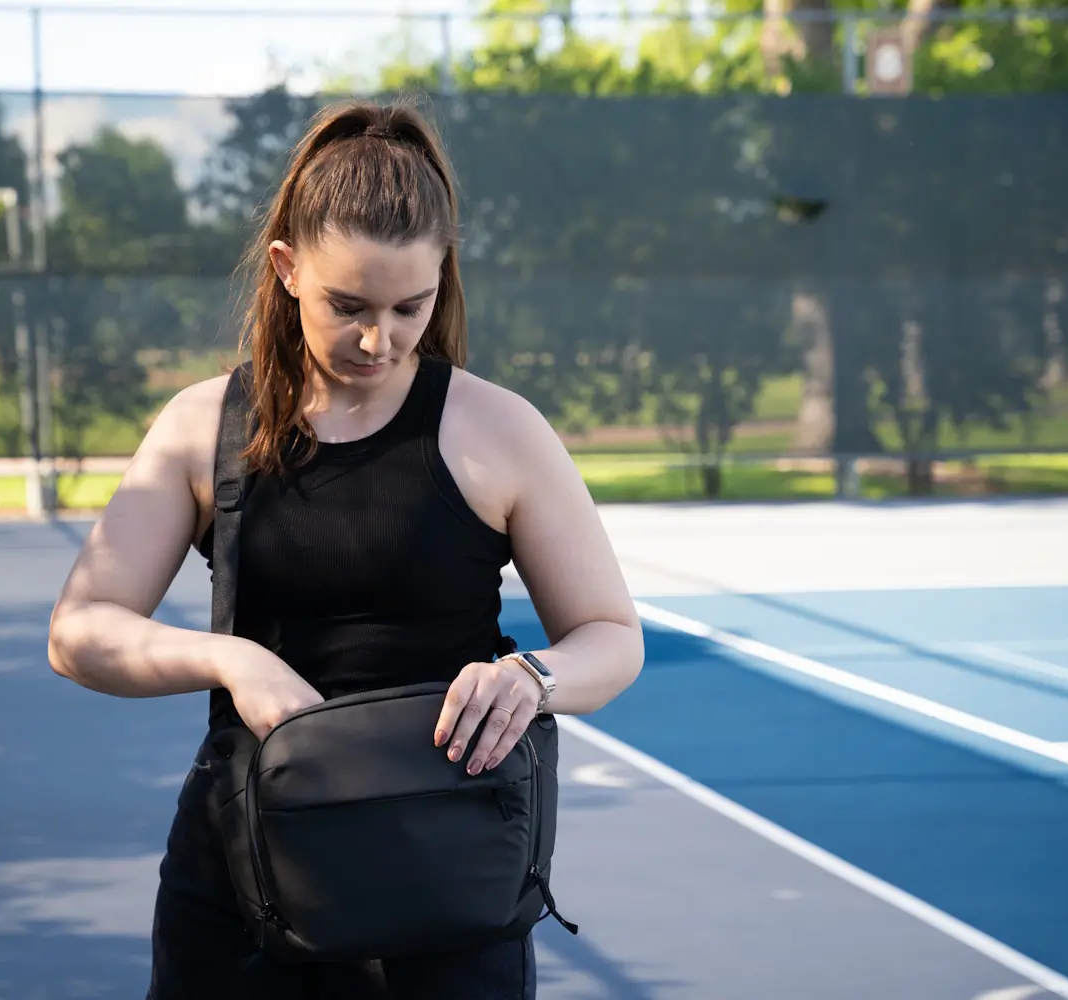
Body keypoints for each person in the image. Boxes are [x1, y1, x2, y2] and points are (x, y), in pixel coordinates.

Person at [47, 97, 645, 1000]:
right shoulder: (203, 427)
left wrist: (531, 678)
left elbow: (611, 635)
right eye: (347, 306)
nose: (381, 339)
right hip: (248, 875)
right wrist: (228, 659)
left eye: (412, 305)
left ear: (445, 271)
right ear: (286, 269)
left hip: (447, 878)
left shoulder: (502, 430)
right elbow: (78, 631)